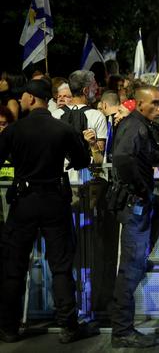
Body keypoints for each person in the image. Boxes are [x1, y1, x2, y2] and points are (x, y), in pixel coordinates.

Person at [0, 79, 92, 344]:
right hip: (54, 200)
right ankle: (68, 326)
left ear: (30, 98)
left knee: (14, 266)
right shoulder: (62, 129)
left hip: (23, 201)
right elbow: (82, 160)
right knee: (61, 265)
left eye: (23, 97)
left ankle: (8, 327)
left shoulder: (14, 131)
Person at [109, 85, 159, 348]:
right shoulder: (134, 126)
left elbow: (146, 154)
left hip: (139, 205)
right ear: (139, 103)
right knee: (131, 270)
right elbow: (124, 158)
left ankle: (122, 327)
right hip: (135, 205)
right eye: (155, 103)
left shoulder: (140, 126)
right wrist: (141, 189)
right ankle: (122, 330)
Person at [53, 70, 108, 165]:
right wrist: (93, 144)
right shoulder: (97, 116)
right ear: (86, 90)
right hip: (88, 174)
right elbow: (100, 159)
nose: (97, 88)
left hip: (60, 173)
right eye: (94, 85)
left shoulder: (54, 115)